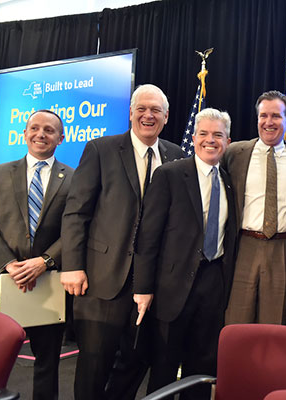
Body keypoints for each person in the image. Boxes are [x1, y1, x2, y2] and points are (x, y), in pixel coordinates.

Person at [60, 84, 184, 400]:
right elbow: (76, 211)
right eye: (141, 108)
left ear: (166, 116)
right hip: (102, 278)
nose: (148, 115)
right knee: (94, 364)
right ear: (130, 113)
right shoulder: (100, 149)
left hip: (152, 282)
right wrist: (72, 266)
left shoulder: (177, 155)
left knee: (137, 361)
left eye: (155, 110)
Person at [132, 108, 237, 398]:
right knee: (164, 368)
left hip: (214, 284)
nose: (210, 140)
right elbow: (148, 236)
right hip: (172, 287)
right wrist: (143, 288)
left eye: (217, 135)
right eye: (203, 134)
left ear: (227, 141)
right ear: (193, 138)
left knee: (202, 368)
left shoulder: (229, 181)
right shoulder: (170, 175)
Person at [0, 110, 73, 400]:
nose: (40, 134)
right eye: (34, 128)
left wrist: (45, 261)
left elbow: (76, 229)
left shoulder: (74, 178)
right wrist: (9, 264)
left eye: (49, 130)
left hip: (47, 285)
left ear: (61, 138)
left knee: (47, 365)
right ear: (24, 134)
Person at [224, 90, 286, 325]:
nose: (268, 122)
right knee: (236, 321)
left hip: (285, 250)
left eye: (276, 116)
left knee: (274, 325)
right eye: (263, 116)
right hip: (243, 247)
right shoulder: (235, 154)